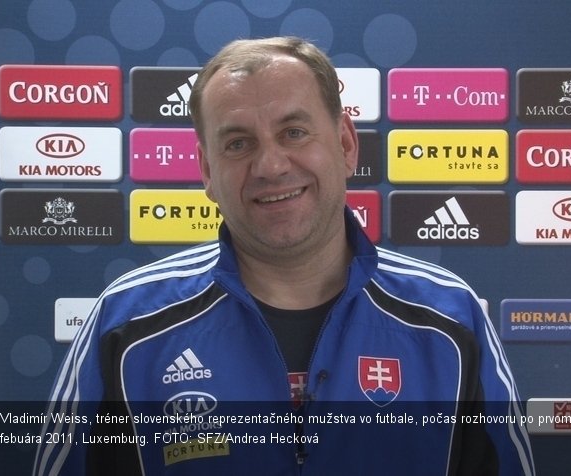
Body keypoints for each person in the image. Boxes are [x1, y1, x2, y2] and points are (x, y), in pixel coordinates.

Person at [34, 36, 535, 476]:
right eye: (238, 143)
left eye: (294, 132)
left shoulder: (450, 319)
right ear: (207, 170)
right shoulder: (125, 325)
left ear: (344, 143)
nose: (271, 165)